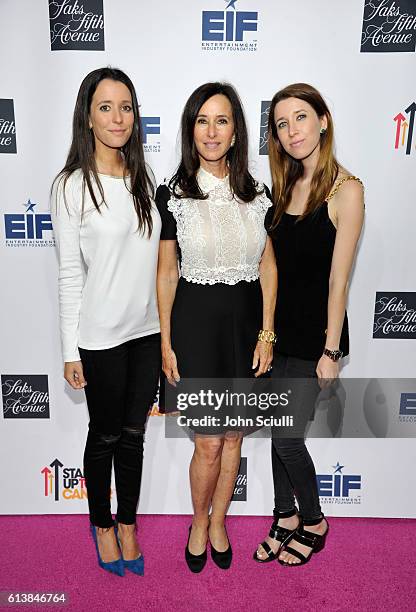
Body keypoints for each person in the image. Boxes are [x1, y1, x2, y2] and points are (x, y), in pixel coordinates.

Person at [156, 82, 277, 572]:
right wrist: (166, 340)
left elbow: (268, 267)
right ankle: (198, 522)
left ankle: (221, 520)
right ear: (191, 130)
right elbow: (166, 272)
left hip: (247, 327)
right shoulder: (174, 194)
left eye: (221, 120)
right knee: (208, 441)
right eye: (202, 120)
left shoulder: (257, 194)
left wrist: (267, 331)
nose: (211, 131)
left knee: (234, 439)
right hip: (195, 327)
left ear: (235, 132)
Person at [51, 67, 161, 577]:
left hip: (147, 332)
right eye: (105, 107)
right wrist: (70, 349)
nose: (118, 117)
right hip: (100, 336)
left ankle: (129, 523)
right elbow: (70, 274)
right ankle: (101, 524)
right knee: (106, 436)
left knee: (134, 436)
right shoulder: (72, 185)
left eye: (126, 107)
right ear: (88, 117)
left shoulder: (146, 179)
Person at [254, 83, 364, 566]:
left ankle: (314, 519)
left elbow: (340, 279)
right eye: (281, 123)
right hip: (279, 334)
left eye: (301, 117)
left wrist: (332, 351)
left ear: (323, 120)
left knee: (286, 438)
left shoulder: (348, 190)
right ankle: (285, 516)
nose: (292, 129)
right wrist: (265, 331)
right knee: (280, 433)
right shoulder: (285, 186)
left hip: (316, 339)